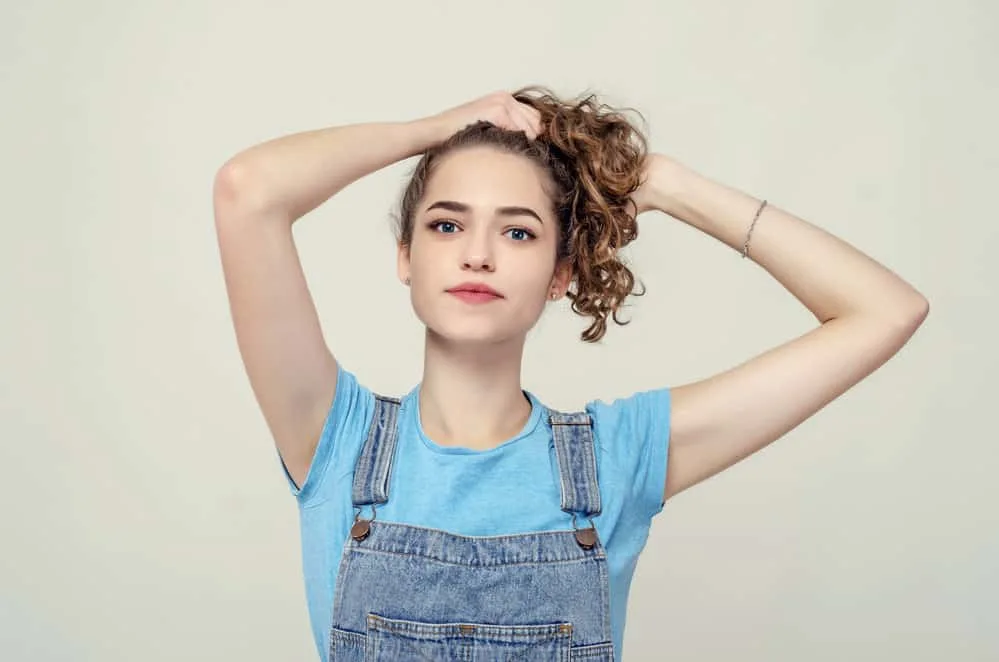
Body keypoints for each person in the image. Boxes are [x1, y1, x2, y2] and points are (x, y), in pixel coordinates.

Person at [212, 87, 929, 661]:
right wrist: (434, 130)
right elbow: (248, 190)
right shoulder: (334, 442)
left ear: (560, 275)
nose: (478, 254)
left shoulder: (618, 457)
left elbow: (884, 311)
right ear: (406, 256)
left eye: (518, 230)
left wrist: (670, 186)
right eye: (446, 224)